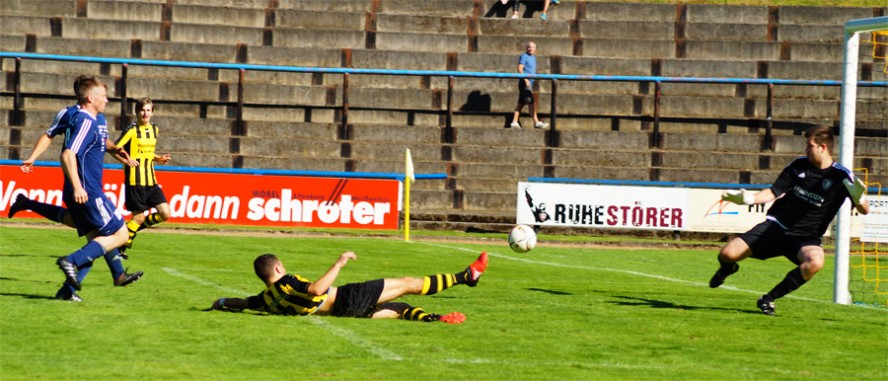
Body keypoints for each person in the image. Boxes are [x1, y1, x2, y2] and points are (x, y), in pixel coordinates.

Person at [711, 125, 870, 316]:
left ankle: (768, 299)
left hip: (805, 238)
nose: (805, 149)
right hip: (775, 227)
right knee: (727, 253)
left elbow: (864, 210)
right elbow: (772, 192)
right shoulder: (798, 166)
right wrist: (749, 199)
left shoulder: (842, 176)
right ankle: (727, 269)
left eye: (809, 146)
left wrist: (859, 198)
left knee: (815, 262)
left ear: (823, 147)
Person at [210, 251, 489, 324]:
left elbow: (241, 303)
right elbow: (316, 290)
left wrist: (221, 303)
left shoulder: (264, 299)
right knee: (407, 285)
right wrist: (339, 262)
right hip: (347, 296)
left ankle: (436, 319)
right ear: (279, 268)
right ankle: (467, 276)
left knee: (401, 309)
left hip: (342, 313)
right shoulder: (287, 281)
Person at [54, 77, 143, 301]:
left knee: (98, 242)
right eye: (103, 95)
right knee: (120, 234)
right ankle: (71, 261)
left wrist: (116, 150)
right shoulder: (86, 121)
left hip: (82, 190)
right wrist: (77, 186)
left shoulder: (94, 120)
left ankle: (67, 292)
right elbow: (67, 154)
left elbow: (96, 144)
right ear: (90, 98)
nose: (107, 99)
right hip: (89, 191)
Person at [114, 97, 172, 258]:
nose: (145, 113)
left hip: (151, 181)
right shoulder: (132, 130)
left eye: (148, 110)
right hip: (135, 181)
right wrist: (125, 160)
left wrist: (159, 158)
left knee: (165, 213)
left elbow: (147, 152)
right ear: (137, 112)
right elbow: (114, 148)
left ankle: (127, 231)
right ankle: (120, 249)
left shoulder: (155, 129)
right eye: (142, 110)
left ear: (152, 112)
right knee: (138, 217)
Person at [509, 41, 548, 129]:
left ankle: (514, 122)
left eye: (533, 47)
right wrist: (525, 79)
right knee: (532, 102)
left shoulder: (533, 57)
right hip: (525, 83)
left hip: (530, 83)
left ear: (535, 49)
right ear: (527, 48)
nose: (530, 49)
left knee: (521, 103)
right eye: (529, 47)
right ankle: (536, 122)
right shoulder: (524, 56)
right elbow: (520, 68)